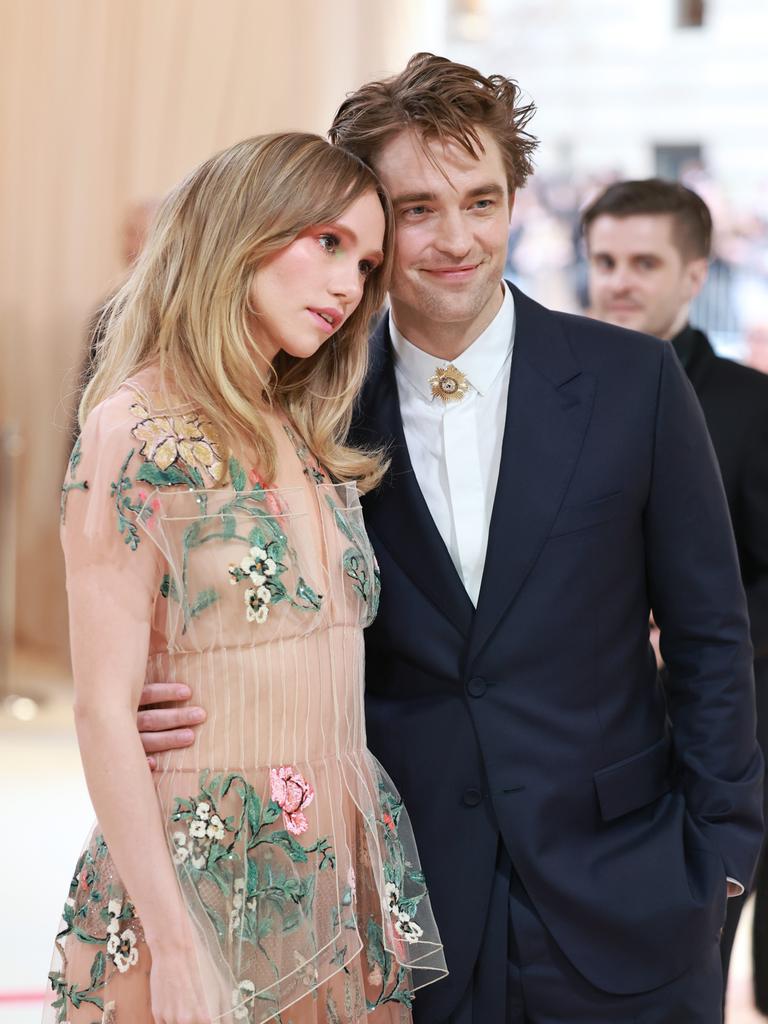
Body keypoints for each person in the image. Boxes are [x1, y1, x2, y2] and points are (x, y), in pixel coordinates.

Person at [137, 56, 763, 1023]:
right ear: (374, 225)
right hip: (401, 910)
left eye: (482, 200)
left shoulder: (633, 381)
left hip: (631, 890)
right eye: (419, 208)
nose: (457, 239)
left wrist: (722, 852)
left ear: (517, 201)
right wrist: (166, 700)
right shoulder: (308, 412)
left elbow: (711, 632)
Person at [50, 132, 447, 1024]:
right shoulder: (136, 426)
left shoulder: (304, 428)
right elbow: (102, 705)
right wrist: (178, 944)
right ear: (241, 231)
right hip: (202, 867)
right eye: (328, 243)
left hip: (337, 861)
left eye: (367, 261)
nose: (350, 285)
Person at [583, 177, 768, 1009]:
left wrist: (681, 630)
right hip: (590, 743)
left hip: (716, 741)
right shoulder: (566, 392)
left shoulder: (752, 407)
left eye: (643, 262)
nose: (619, 280)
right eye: (605, 260)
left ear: (694, 276)